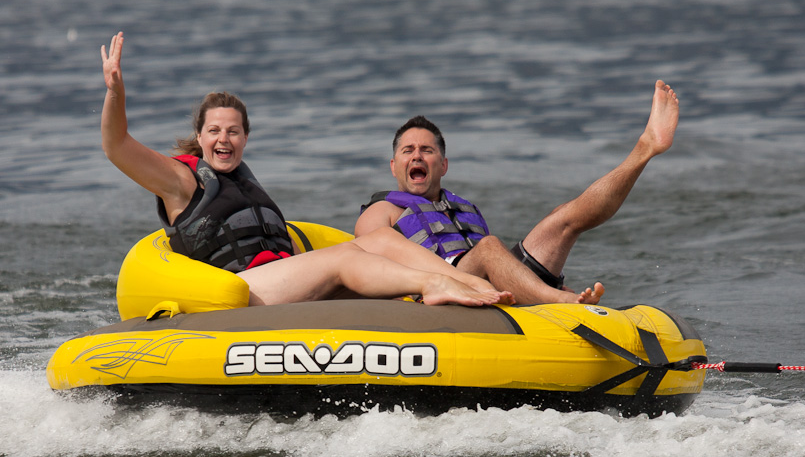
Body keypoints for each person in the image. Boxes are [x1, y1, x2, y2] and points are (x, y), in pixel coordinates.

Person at [100, 32, 513, 308]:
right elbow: (117, 147)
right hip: (244, 291)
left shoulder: (245, 183)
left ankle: (467, 281)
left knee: (377, 241)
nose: (224, 139)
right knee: (345, 257)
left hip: (282, 282)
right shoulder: (181, 180)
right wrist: (115, 92)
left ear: (245, 137)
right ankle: (432, 285)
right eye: (214, 131)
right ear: (200, 136)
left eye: (233, 131)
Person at [354, 80, 680, 305]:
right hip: (438, 294)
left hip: (490, 288)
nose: (417, 156)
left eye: (427, 150)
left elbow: (497, 264)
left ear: (443, 165)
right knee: (488, 247)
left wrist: (530, 283)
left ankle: (646, 148)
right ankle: (561, 301)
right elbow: (368, 266)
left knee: (562, 218)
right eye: (408, 151)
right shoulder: (381, 211)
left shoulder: (463, 208)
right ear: (394, 166)